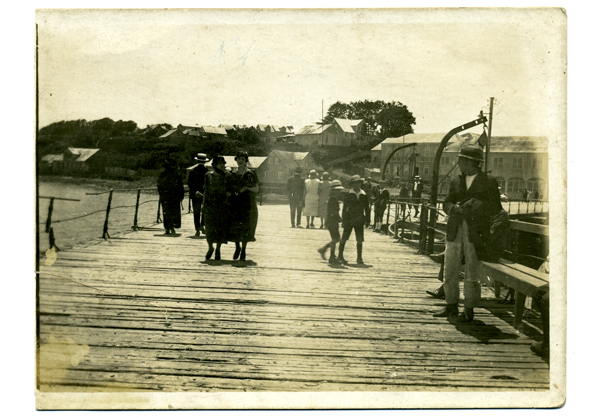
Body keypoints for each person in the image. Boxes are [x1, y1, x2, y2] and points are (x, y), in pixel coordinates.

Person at [433, 145, 503, 322]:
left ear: (471, 162)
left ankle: (469, 309)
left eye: (460, 160)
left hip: (475, 232)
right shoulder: (456, 181)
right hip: (455, 229)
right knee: (450, 267)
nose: (458, 163)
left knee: (472, 270)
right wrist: (453, 208)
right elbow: (446, 202)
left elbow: (496, 208)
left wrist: (480, 205)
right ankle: (450, 305)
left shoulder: (489, 181)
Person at [230, 151, 260, 261]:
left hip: (248, 204)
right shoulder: (233, 173)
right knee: (235, 227)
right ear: (236, 160)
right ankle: (237, 247)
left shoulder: (251, 173)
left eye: (243, 158)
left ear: (246, 160)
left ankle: (243, 250)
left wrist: (247, 188)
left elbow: (256, 189)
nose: (240, 160)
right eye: (238, 158)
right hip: (235, 204)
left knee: (246, 227)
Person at [202, 156, 232, 260]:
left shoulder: (228, 176)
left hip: (222, 206)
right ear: (214, 165)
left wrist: (228, 195)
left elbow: (230, 190)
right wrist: (203, 205)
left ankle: (218, 249)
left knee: (220, 228)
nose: (222, 165)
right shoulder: (208, 175)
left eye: (223, 163)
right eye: (219, 163)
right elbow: (205, 191)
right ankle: (210, 247)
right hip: (210, 206)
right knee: (209, 229)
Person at [338, 175, 371, 265]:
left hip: (359, 219)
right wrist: (344, 220)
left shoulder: (363, 195)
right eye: (355, 183)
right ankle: (340, 255)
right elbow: (345, 208)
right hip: (349, 219)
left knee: (359, 239)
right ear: (352, 184)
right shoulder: (349, 194)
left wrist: (368, 220)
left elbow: (367, 208)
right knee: (345, 237)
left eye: (359, 183)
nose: (357, 185)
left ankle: (359, 257)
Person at [317, 180, 345, 264]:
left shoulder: (332, 198)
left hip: (331, 221)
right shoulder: (333, 198)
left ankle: (325, 250)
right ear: (333, 190)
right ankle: (330, 255)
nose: (339, 192)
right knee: (336, 239)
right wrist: (339, 218)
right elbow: (333, 212)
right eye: (337, 190)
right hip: (332, 221)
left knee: (335, 238)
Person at [157, 156, 184, 235]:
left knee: (167, 211)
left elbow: (159, 186)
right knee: (173, 212)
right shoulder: (176, 174)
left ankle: (168, 227)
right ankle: (171, 227)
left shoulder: (163, 174)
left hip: (167, 196)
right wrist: (181, 196)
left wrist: (161, 195)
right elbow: (180, 186)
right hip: (173, 196)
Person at [188, 153, 209, 236]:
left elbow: (190, 183)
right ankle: (202, 225)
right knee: (204, 211)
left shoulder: (193, 171)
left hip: (195, 194)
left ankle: (197, 228)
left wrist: (195, 191)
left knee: (196, 212)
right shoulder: (207, 171)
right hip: (204, 194)